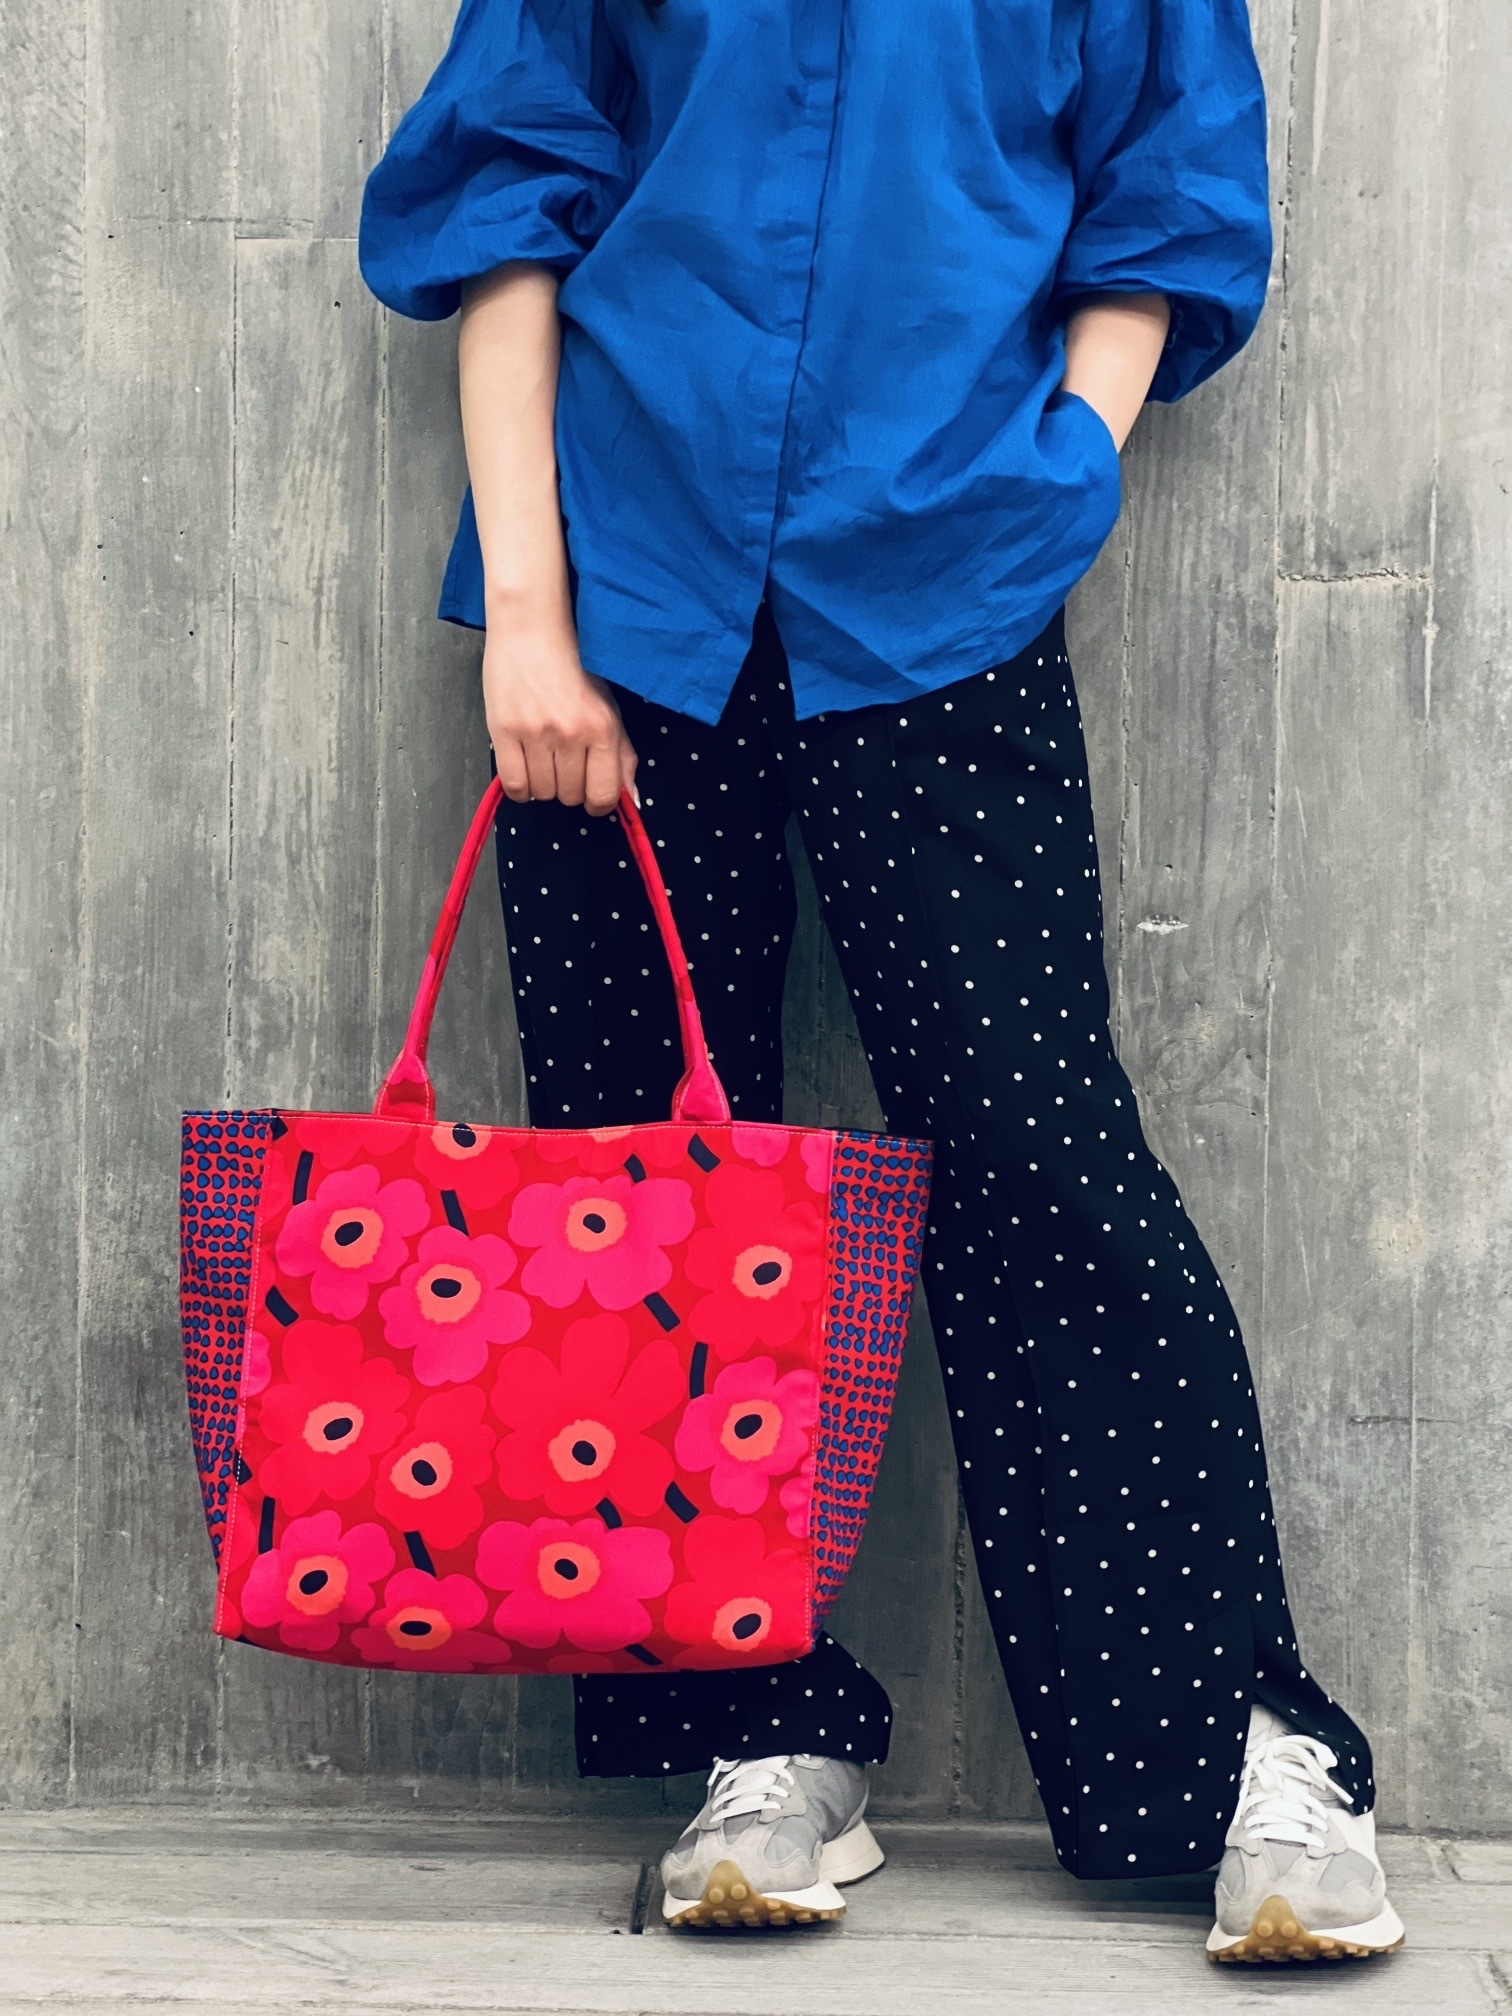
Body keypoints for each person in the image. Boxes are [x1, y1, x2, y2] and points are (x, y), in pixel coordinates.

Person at [358, 0, 1404, 1963]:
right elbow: (509, 193)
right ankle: (757, 1735)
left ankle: (1250, 1747)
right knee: (642, 1186)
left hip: (945, 582)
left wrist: (1060, 472)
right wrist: (526, 607)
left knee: (1038, 1161)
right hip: (617, 593)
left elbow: (1165, 198)